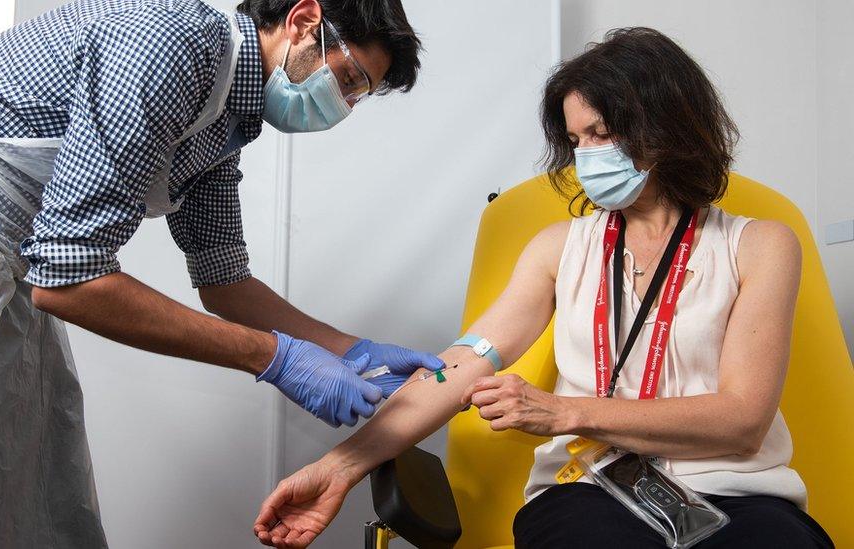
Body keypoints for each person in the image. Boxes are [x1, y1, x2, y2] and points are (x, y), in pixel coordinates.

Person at [0, 0, 443, 546]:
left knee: (33, 473)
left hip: (2, 257)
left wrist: (351, 351)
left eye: (357, 95)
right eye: (348, 79)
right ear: (302, 21)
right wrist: (275, 358)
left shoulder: (229, 120)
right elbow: (70, 281)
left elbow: (225, 280)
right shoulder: (172, 45)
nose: (342, 105)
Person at [253, 28, 834, 548]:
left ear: (666, 125)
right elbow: (460, 367)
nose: (585, 157)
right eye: (576, 139)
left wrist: (562, 411)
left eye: (602, 133)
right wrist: (338, 467)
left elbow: (742, 419)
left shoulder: (759, 245)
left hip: (737, 493)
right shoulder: (561, 249)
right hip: (591, 486)